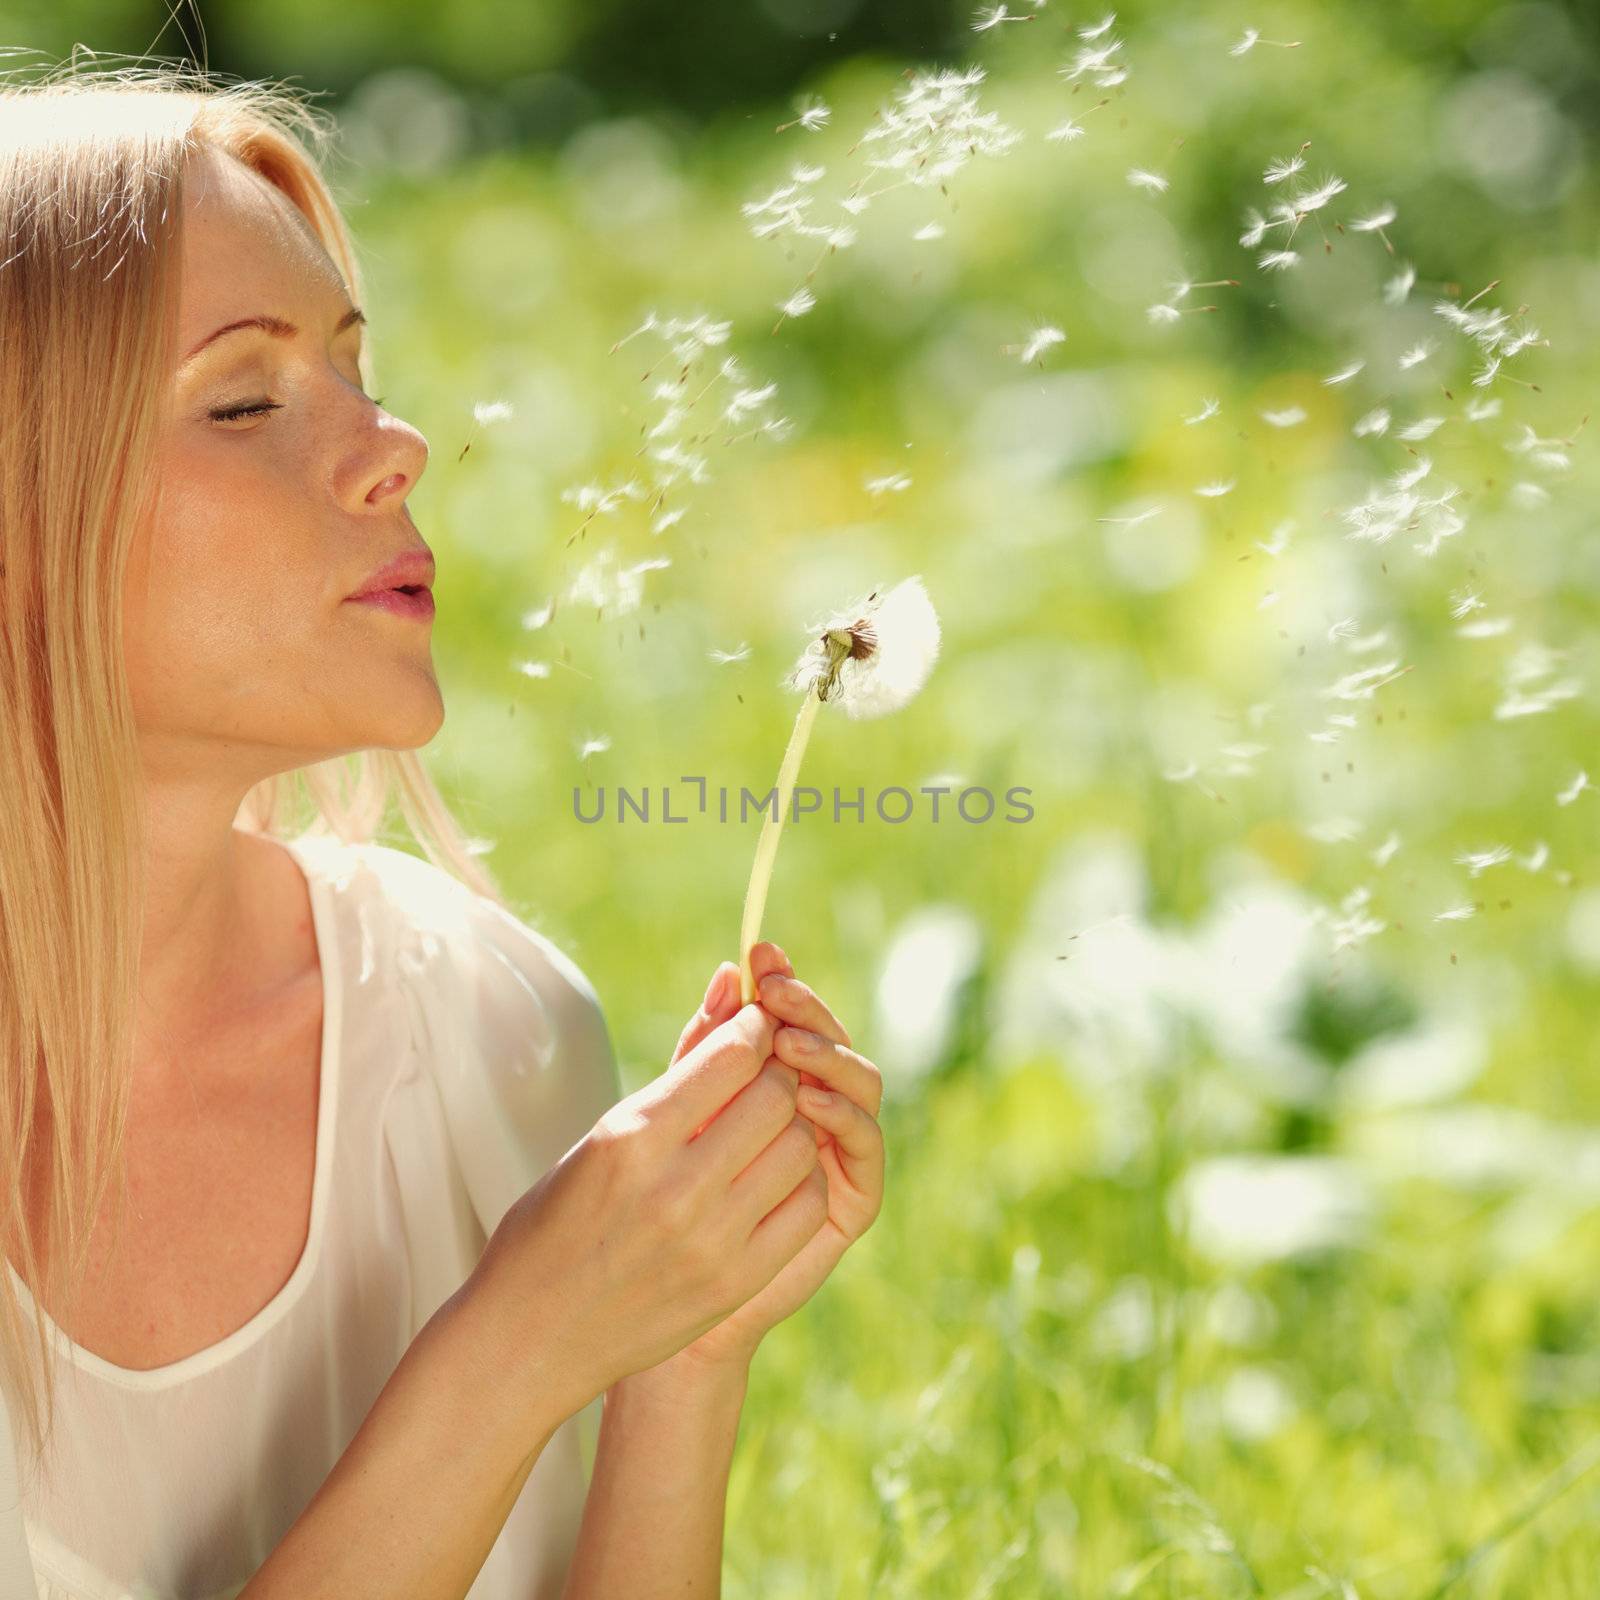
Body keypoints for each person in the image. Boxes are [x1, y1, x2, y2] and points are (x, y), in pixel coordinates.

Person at [0, 59, 885, 1600]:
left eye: (358, 371)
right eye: (246, 398)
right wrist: (518, 1348)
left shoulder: (477, 1026)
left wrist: (678, 1356)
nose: (393, 445)